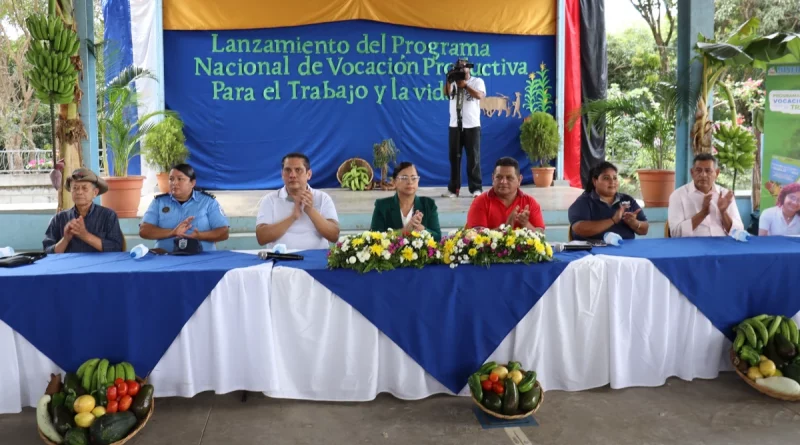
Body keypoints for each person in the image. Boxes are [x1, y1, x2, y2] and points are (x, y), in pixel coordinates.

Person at [256, 153, 340, 250]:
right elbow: (261, 238)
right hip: (280, 258)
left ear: (309, 174)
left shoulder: (323, 198)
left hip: (316, 258)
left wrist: (310, 211)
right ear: (282, 174)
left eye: (298, 170)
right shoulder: (270, 199)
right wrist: (293, 217)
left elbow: (334, 236)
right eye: (287, 170)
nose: (292, 175)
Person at [139, 163, 230, 252]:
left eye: (180, 179)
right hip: (165, 258)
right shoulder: (159, 202)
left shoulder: (208, 202)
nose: (174, 183)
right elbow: (144, 230)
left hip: (202, 258)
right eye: (171, 179)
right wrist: (172, 232)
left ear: (192, 183)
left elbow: (224, 232)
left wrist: (200, 236)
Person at [42, 167, 124, 253]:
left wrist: (85, 235)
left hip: (99, 265)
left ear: (95, 193)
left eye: (84, 188)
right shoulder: (59, 218)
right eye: (75, 188)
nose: (79, 192)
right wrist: (65, 239)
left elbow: (117, 248)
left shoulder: (108, 216)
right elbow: (47, 252)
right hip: (69, 265)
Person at [668, 153, 744, 237]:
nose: (703, 175)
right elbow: (675, 234)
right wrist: (703, 213)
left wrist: (723, 212)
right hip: (692, 246)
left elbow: (739, 231)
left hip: (722, 245)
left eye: (708, 171)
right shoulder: (678, 196)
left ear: (717, 173)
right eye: (698, 170)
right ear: (692, 173)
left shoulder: (725, 195)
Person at [568, 162, 649, 241]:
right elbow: (579, 229)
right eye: (606, 178)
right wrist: (613, 220)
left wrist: (634, 223)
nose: (612, 182)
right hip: (593, 251)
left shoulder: (627, 200)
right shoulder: (584, 202)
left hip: (625, 251)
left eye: (615, 178)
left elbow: (644, 230)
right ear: (595, 181)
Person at [441, 59, 486, 199]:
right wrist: (448, 80)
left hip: (472, 125)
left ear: (469, 68)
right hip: (455, 125)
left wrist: (465, 86)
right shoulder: (453, 82)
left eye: (462, 67)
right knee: (454, 158)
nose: (460, 70)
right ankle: (453, 189)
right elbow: (446, 94)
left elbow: (480, 95)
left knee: (474, 158)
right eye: (458, 67)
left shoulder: (477, 81)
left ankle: (476, 189)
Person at [466, 157, 545, 231]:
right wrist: (505, 228)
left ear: (519, 180)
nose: (503, 182)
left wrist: (525, 224)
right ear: (493, 179)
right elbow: (474, 238)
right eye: (499, 177)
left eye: (509, 178)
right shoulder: (480, 202)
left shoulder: (530, 202)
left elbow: (540, 235)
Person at [370, 162, 442, 241]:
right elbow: (374, 237)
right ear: (394, 182)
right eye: (404, 178)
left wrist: (421, 228)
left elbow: (438, 237)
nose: (410, 182)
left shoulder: (428, 204)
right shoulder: (382, 206)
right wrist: (404, 231)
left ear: (418, 181)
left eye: (414, 178)